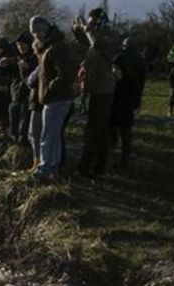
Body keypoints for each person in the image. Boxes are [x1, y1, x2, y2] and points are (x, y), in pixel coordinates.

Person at [72, 7, 117, 178]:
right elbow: (87, 44)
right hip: (94, 89)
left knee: (94, 131)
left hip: (103, 91)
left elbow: (96, 43)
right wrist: (77, 30)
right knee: (98, 130)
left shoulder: (109, 36)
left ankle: (85, 167)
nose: (89, 26)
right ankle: (99, 166)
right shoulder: (97, 36)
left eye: (92, 23)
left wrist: (87, 28)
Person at [30, 16, 75, 179]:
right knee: (52, 134)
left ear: (45, 29)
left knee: (48, 135)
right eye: (33, 32)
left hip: (57, 99)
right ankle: (52, 166)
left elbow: (65, 74)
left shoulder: (56, 48)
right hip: (54, 99)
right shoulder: (48, 48)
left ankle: (46, 168)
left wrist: (50, 89)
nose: (36, 35)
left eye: (38, 31)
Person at [109, 37, 143, 168]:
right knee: (122, 131)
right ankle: (121, 156)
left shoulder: (121, 61)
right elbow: (142, 80)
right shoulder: (139, 59)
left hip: (120, 103)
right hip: (124, 103)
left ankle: (119, 155)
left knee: (119, 131)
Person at [9, 31, 38, 145]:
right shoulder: (17, 58)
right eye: (18, 45)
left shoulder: (34, 58)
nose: (20, 47)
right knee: (13, 113)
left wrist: (26, 68)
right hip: (17, 94)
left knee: (24, 121)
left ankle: (23, 145)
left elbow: (30, 79)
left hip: (29, 95)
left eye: (22, 45)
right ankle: (15, 141)